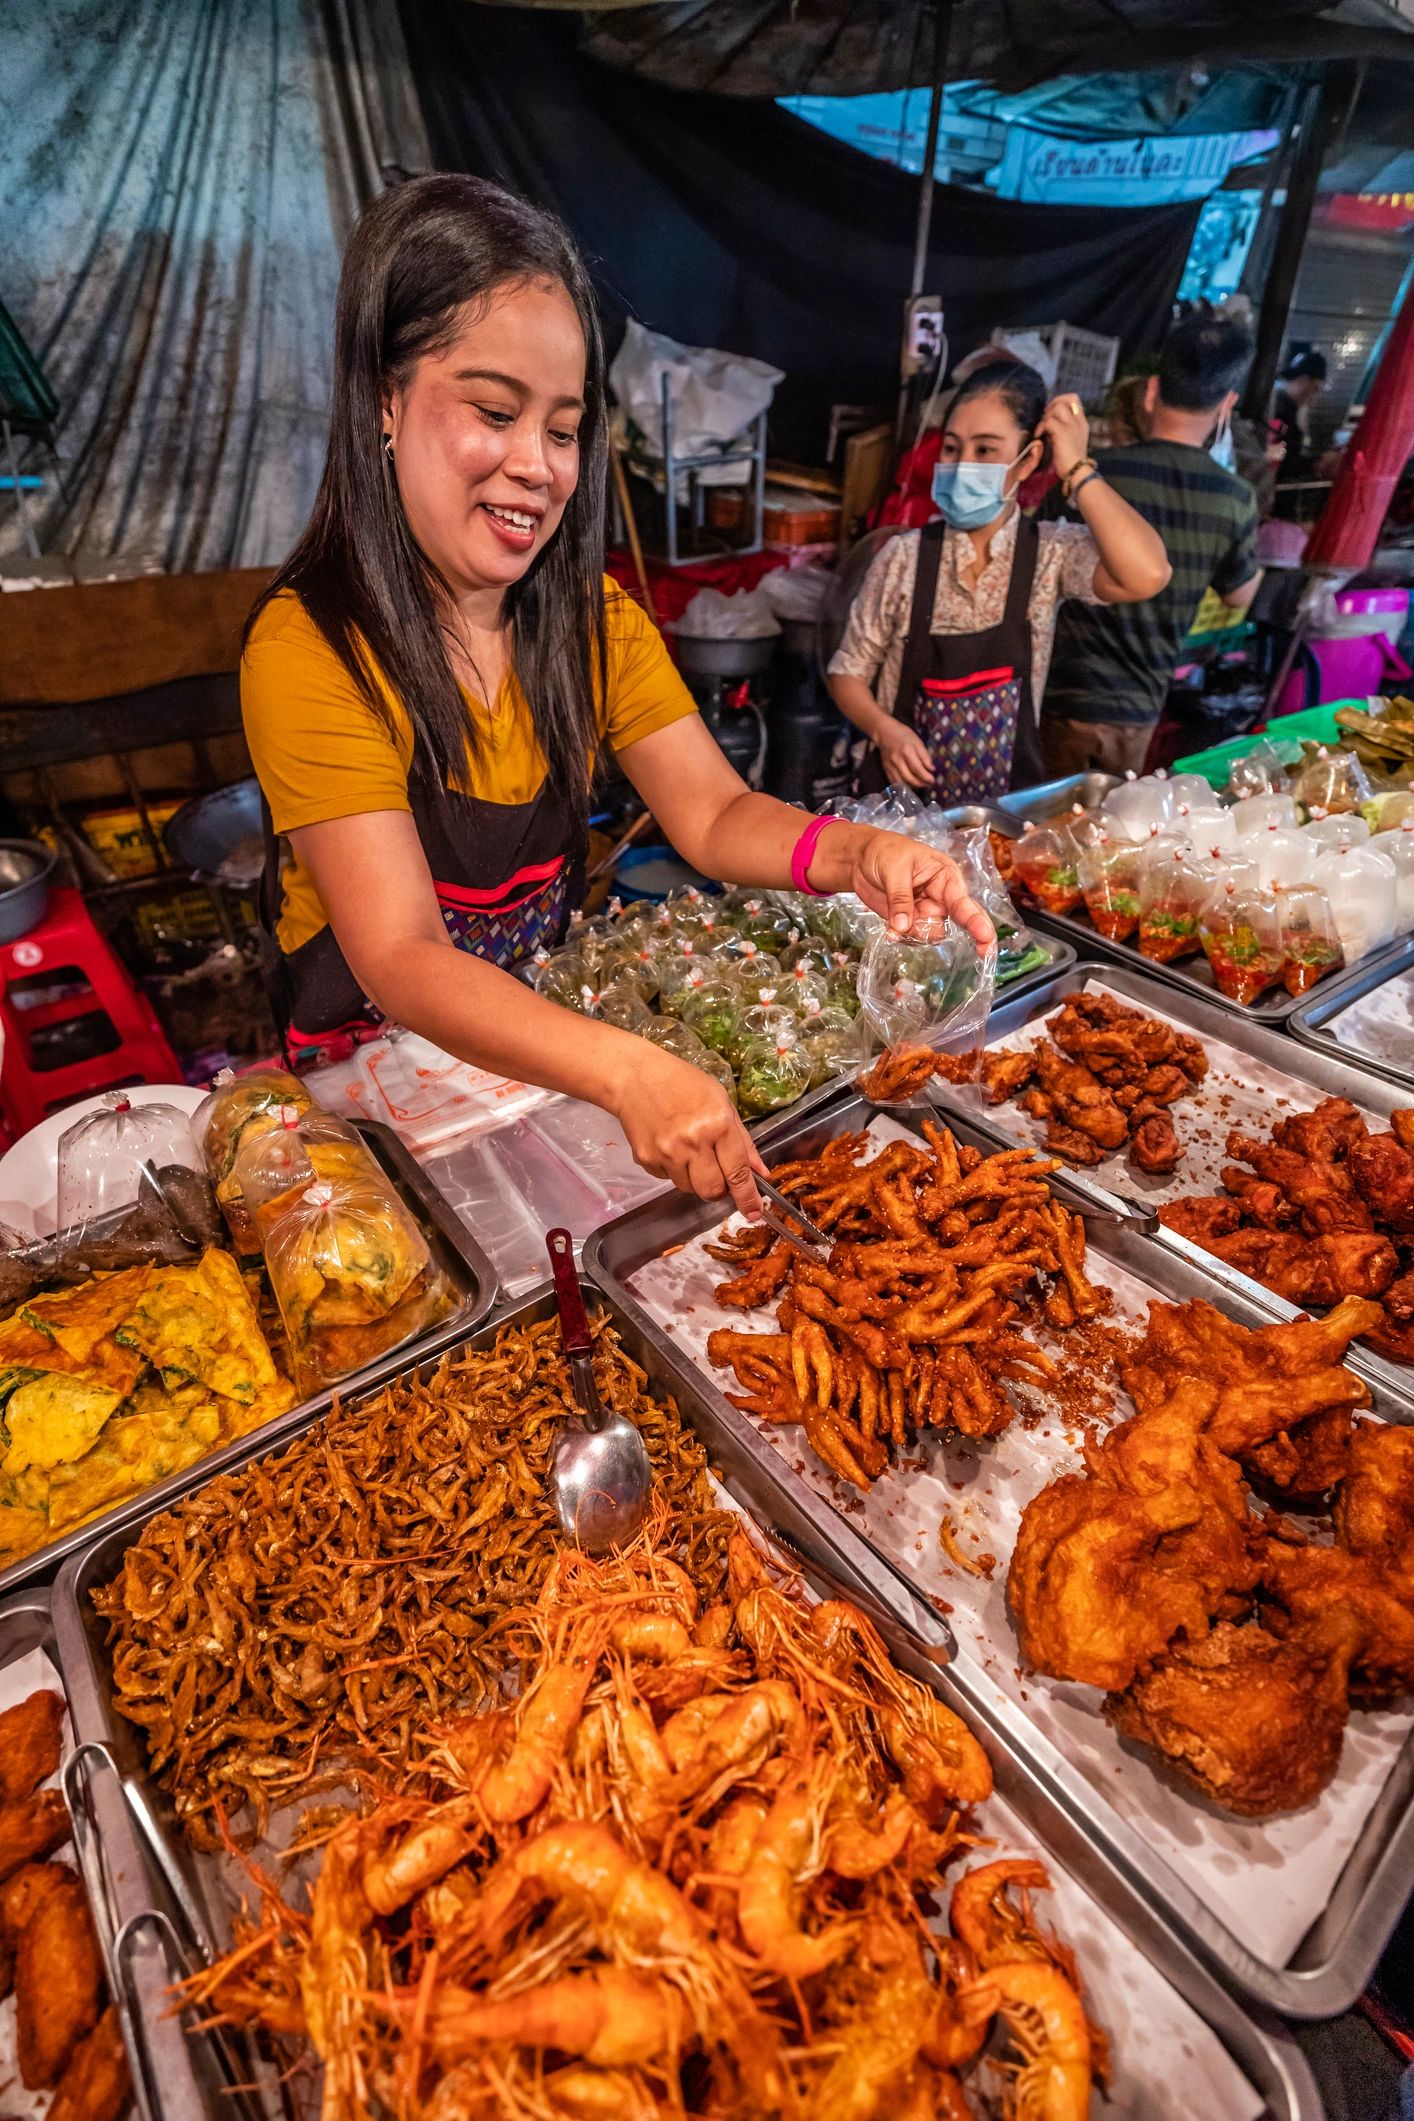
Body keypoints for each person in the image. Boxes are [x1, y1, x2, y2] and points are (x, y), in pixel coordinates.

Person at [241, 174, 992, 1221]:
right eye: (494, 412)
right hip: (375, 1084)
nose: (535, 466)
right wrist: (627, 1069)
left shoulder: (591, 620)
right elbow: (403, 954)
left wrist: (855, 852)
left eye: (562, 428)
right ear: (381, 396)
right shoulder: (313, 647)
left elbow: (714, 813)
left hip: (534, 1051)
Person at [826, 359, 1170, 798]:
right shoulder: (903, 557)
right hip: (901, 812)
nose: (962, 464)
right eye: (952, 449)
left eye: (985, 450)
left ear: (1029, 461)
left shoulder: (1049, 553)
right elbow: (847, 672)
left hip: (1002, 814)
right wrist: (884, 730)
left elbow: (1147, 573)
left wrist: (1079, 470)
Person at [1041, 317, 1263, 778]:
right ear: (1227, 405)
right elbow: (1239, 596)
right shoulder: (1234, 498)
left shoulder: (1092, 476)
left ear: (1151, 391)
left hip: (1057, 696)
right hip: (1138, 705)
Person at [1270, 347, 1328, 484]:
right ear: (1303, 380)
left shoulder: (1289, 405)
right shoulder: (1279, 408)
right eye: (1315, 388)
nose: (1314, 396)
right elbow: (1283, 458)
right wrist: (1315, 463)